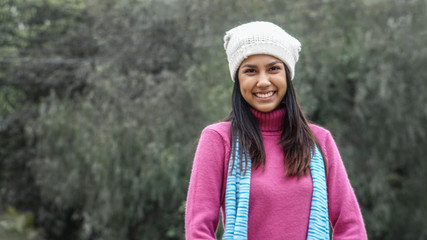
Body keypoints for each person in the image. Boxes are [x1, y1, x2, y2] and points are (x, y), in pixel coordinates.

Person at [185, 21, 367, 240]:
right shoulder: (218, 139)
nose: (263, 81)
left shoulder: (319, 140)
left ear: (287, 76)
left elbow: (351, 227)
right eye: (250, 71)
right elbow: (198, 230)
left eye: (273, 69)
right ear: (238, 79)